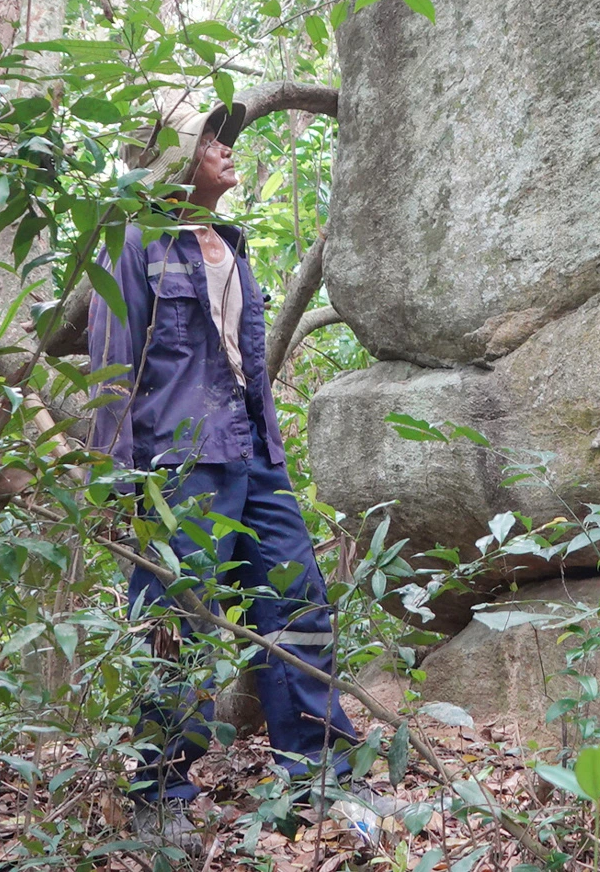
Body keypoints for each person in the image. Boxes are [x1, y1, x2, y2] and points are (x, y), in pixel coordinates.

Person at [88, 103, 394, 853]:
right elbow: (109, 368)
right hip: (178, 466)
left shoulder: (231, 243)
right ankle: (160, 793)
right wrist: (119, 484)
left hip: (255, 458)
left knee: (297, 603)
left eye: (225, 137)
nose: (226, 149)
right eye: (208, 139)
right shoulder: (131, 242)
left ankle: (320, 772)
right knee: (178, 620)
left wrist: (274, 454)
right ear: (169, 159)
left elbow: (245, 366)